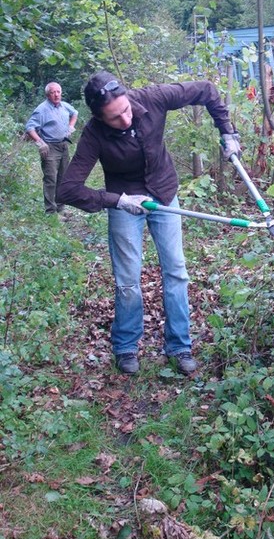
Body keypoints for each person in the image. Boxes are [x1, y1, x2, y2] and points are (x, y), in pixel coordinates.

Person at [57, 70, 241, 376]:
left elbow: (206, 90)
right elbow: (67, 189)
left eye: (126, 110)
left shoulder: (154, 98)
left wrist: (227, 131)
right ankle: (126, 347)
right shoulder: (93, 135)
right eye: (114, 118)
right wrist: (117, 201)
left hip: (164, 195)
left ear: (129, 97)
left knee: (176, 272)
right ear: (100, 118)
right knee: (128, 279)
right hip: (125, 203)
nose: (125, 120)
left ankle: (179, 347)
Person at [25, 81, 78, 214]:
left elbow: (75, 113)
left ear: (61, 93)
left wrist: (71, 126)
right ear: (47, 95)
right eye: (52, 92)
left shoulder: (64, 106)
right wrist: (40, 142)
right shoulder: (41, 109)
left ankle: (60, 208)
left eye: (58, 92)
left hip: (64, 145)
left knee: (63, 177)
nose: (56, 95)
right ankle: (50, 211)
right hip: (50, 148)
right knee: (50, 179)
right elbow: (29, 127)